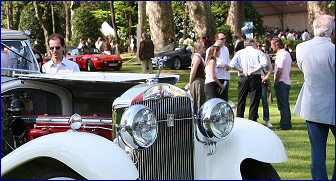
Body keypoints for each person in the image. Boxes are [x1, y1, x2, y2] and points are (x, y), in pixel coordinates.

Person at [294, 15, 335, 180]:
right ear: (331, 30)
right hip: (330, 102)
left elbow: (303, 68)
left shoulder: (301, 47)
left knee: (317, 153)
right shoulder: (332, 50)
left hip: (312, 105)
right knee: (317, 154)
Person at [229, 39, 268, 121]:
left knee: (241, 99)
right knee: (254, 100)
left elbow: (232, 64)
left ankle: (240, 118)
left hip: (244, 77)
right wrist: (255, 70)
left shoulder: (239, 53)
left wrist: (241, 70)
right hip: (255, 76)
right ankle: (252, 119)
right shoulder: (258, 52)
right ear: (252, 43)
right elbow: (264, 63)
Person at [271, 37, 292, 130]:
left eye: (272, 45)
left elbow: (279, 70)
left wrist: (276, 81)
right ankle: (286, 123)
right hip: (286, 81)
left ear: (276, 45)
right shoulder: (287, 54)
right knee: (285, 104)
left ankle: (285, 125)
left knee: (282, 105)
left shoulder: (280, 55)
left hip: (281, 82)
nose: (271, 47)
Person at [205, 32, 231, 101]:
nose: (224, 40)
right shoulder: (211, 49)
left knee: (224, 100)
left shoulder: (225, 49)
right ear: (216, 39)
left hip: (225, 76)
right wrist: (222, 65)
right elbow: (209, 63)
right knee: (216, 101)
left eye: (224, 38)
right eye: (222, 39)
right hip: (217, 78)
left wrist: (228, 66)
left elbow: (228, 60)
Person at [185, 41, 206, 113]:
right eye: (203, 47)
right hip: (198, 82)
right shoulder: (197, 58)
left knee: (201, 100)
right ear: (198, 49)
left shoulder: (199, 57)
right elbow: (193, 72)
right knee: (198, 101)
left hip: (200, 81)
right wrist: (190, 83)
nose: (204, 49)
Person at [256, 42, 273, 127]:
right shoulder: (253, 55)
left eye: (260, 46)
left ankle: (266, 119)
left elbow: (270, 68)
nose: (259, 47)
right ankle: (254, 118)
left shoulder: (266, 56)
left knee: (264, 100)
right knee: (255, 100)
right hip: (255, 80)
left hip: (263, 80)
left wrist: (266, 77)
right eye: (257, 46)